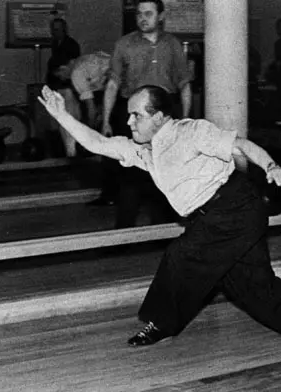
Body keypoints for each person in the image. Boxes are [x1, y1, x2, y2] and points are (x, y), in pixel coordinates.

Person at [38, 83, 281, 349]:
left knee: (182, 254)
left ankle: (161, 323)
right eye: (129, 117)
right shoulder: (144, 152)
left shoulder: (190, 131)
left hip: (235, 208)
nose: (130, 122)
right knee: (256, 291)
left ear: (160, 117)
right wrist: (61, 114)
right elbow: (98, 143)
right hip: (216, 219)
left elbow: (242, 146)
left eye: (136, 115)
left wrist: (272, 167)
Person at [90, 0, 191, 232]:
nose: (142, 18)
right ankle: (125, 233)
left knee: (166, 171)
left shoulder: (173, 45)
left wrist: (184, 121)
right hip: (135, 115)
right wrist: (105, 120)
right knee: (130, 174)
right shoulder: (124, 45)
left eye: (148, 13)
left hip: (165, 116)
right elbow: (113, 85)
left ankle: (163, 231)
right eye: (139, 14)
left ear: (161, 16)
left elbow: (185, 85)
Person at [45, 18, 82, 157]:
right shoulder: (55, 44)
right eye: (53, 29)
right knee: (61, 124)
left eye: (58, 29)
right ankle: (68, 152)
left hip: (67, 91)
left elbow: (71, 69)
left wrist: (59, 72)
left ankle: (72, 153)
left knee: (69, 121)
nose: (56, 32)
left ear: (64, 29)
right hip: (58, 90)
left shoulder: (71, 45)